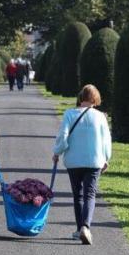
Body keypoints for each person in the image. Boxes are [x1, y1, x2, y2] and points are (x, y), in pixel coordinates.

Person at [52, 85, 111, 245]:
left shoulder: (70, 114)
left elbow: (63, 136)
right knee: (90, 194)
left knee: (77, 195)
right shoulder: (100, 116)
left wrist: (57, 152)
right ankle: (86, 226)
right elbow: (106, 140)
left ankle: (79, 230)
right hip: (94, 160)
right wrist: (106, 158)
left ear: (81, 97)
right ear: (95, 98)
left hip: (74, 161)